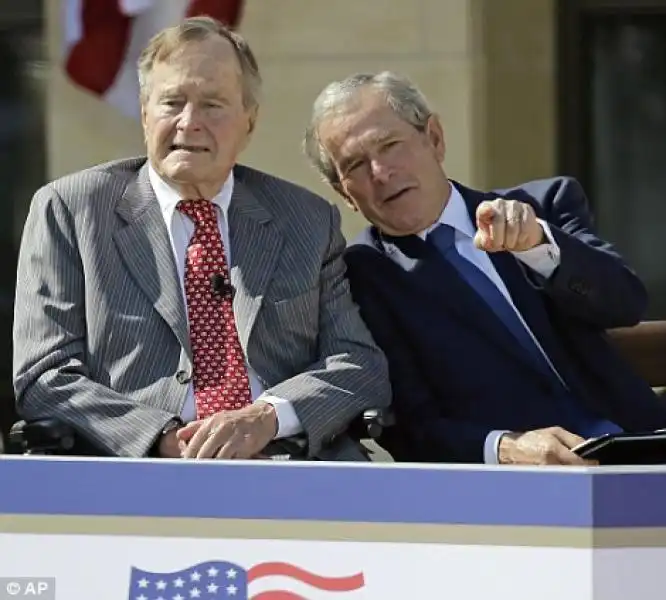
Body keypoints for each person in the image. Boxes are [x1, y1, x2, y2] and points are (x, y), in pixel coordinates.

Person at [12, 17, 390, 461]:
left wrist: (268, 416)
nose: (189, 123)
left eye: (212, 104)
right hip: (138, 472)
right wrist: (162, 438)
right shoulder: (72, 211)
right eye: (172, 102)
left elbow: (358, 363)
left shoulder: (305, 220)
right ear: (145, 111)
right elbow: (46, 376)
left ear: (249, 121)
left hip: (287, 465)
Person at [303, 70, 666, 465]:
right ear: (345, 194)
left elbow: (626, 303)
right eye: (355, 165)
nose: (381, 173)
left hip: (640, 446)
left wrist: (539, 247)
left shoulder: (545, 204)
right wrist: (506, 447)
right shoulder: (361, 276)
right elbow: (411, 427)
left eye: (390, 145)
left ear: (435, 139)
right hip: (518, 488)